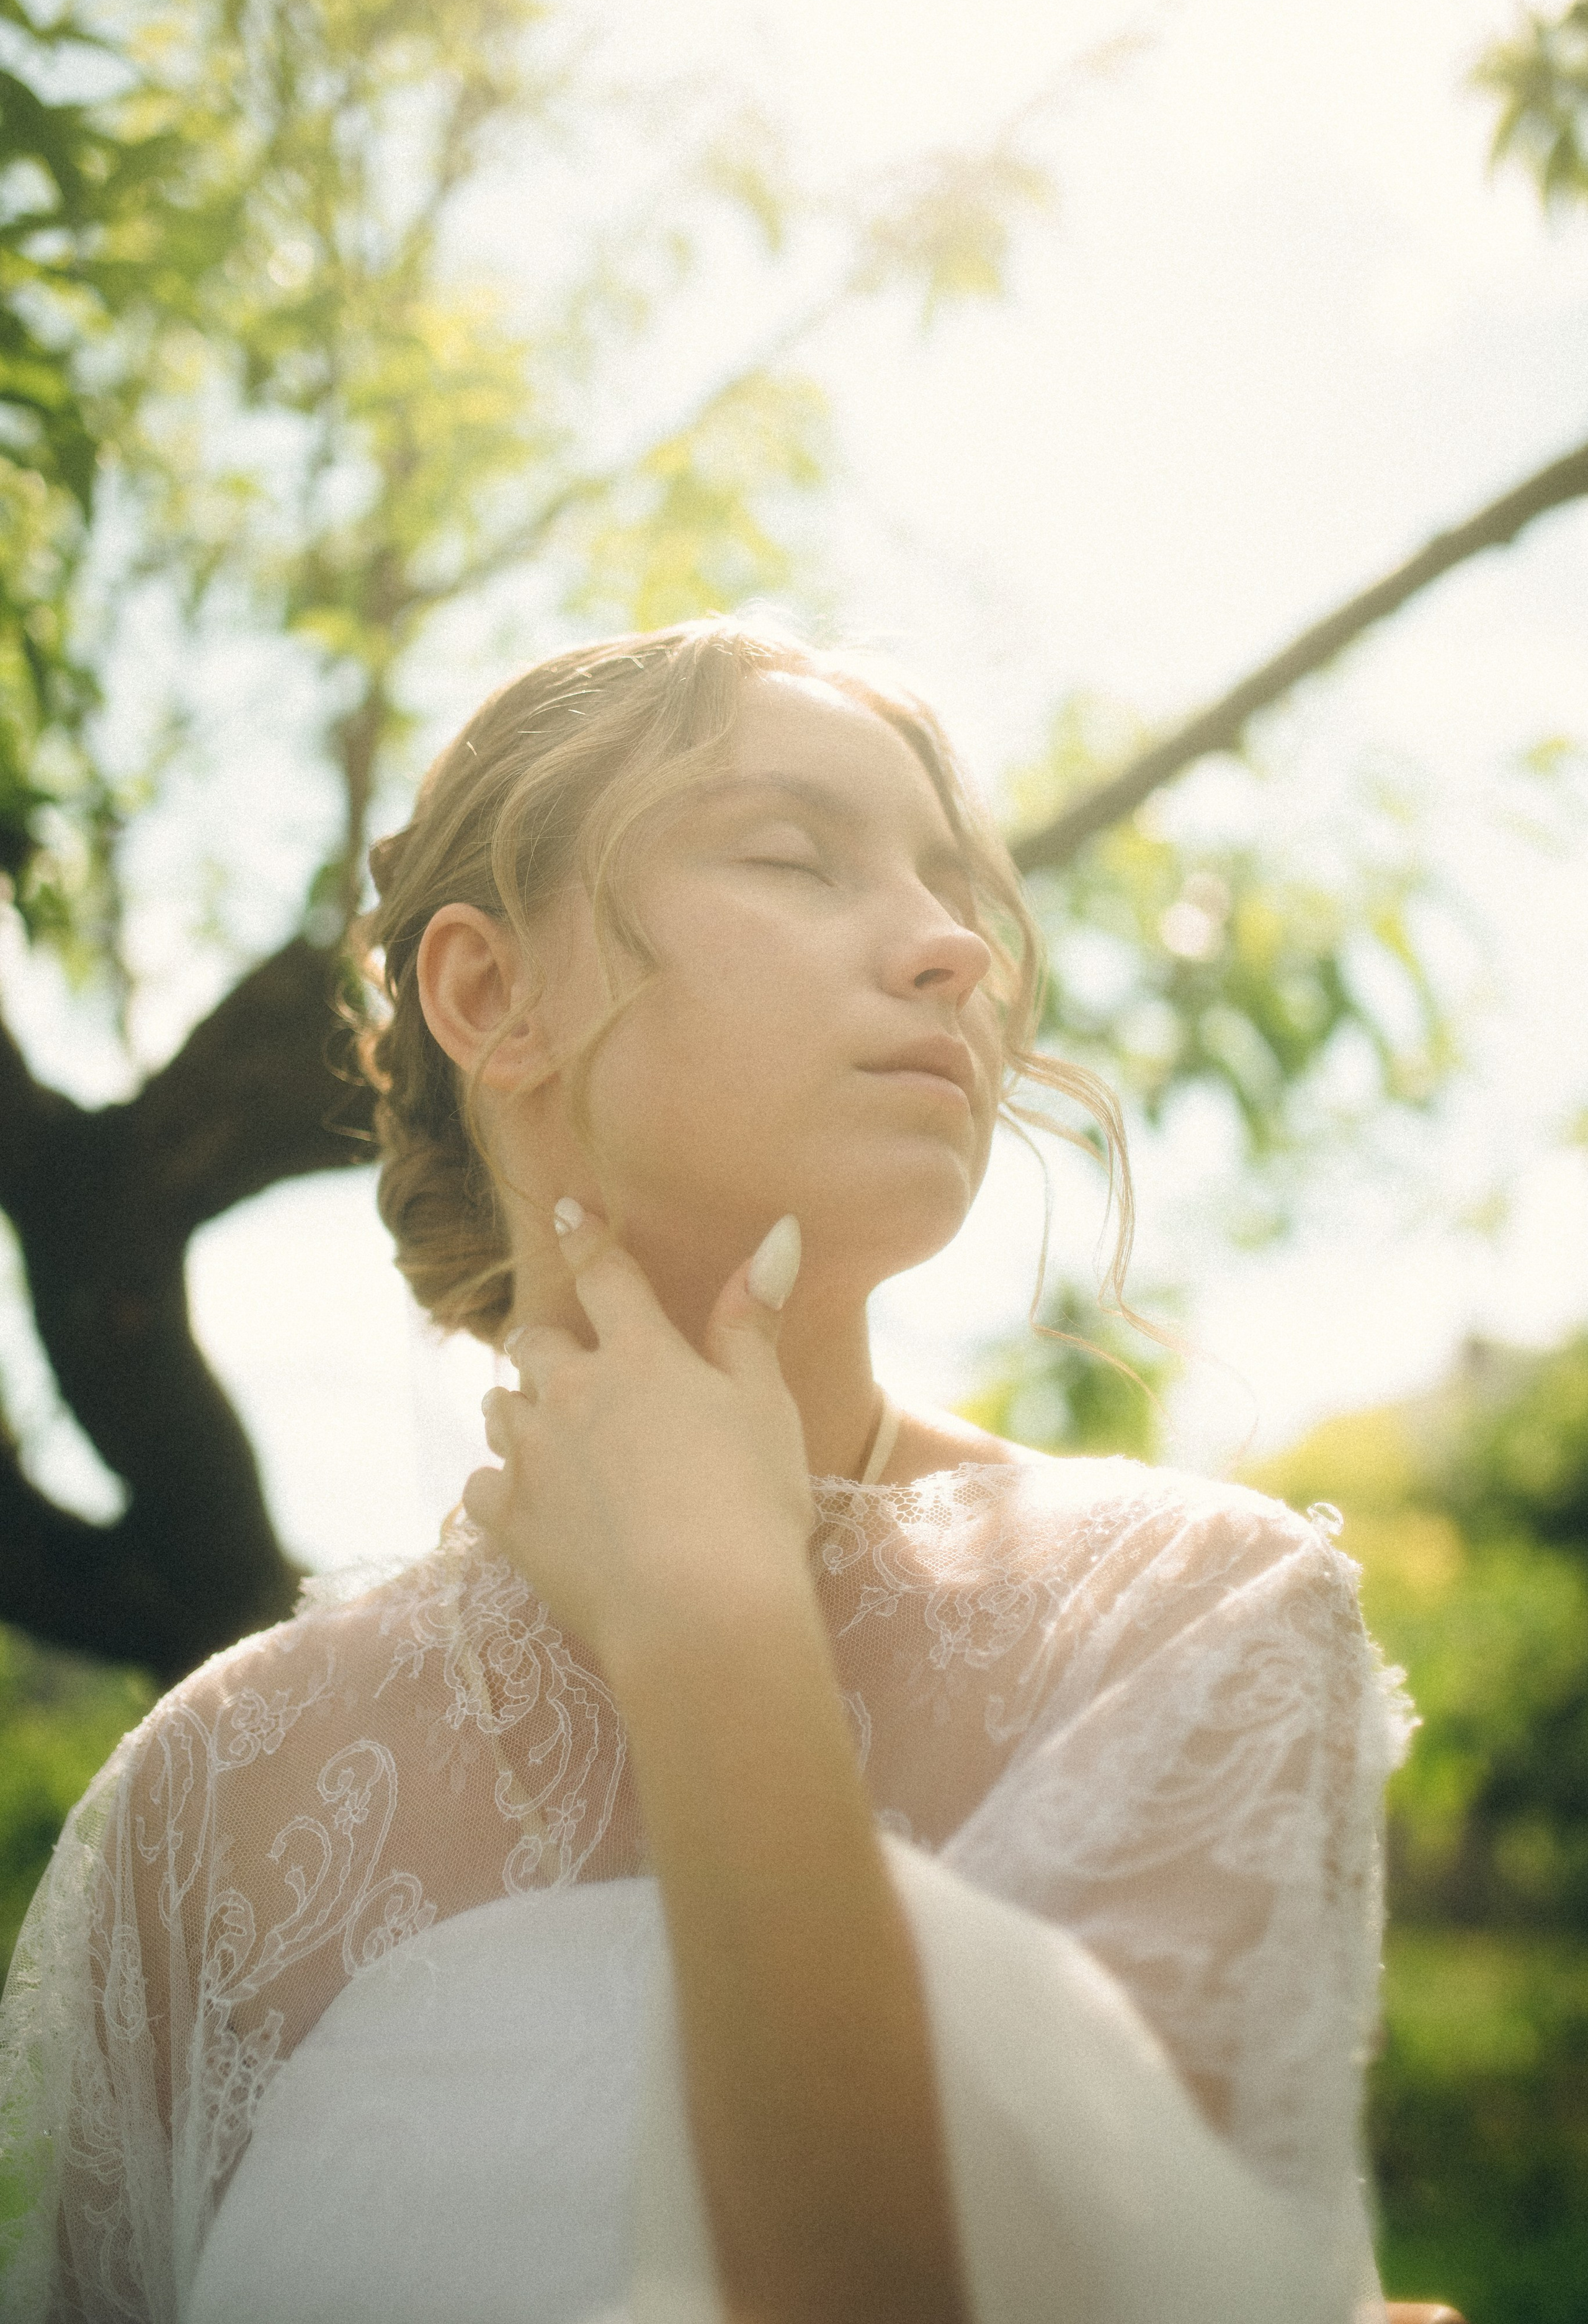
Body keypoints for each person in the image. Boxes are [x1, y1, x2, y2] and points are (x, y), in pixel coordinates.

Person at [0, 618, 1411, 2324]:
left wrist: (715, 1628)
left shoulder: (1186, 1619)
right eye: (795, 857)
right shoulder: (205, 1801)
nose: (953, 945)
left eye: (959, 885)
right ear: (489, 993)